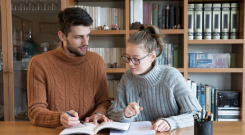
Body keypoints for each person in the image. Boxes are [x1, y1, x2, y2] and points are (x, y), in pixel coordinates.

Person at [27, 7, 112, 128]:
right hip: (55, 131)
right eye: (78, 37)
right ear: (62, 36)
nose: (86, 42)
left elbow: (104, 102)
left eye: (88, 35)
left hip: (90, 130)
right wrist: (60, 118)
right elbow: (35, 111)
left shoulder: (96, 61)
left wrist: (98, 113)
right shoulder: (39, 63)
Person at [107, 25, 202, 132]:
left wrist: (170, 122)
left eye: (136, 59)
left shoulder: (171, 76)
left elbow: (197, 115)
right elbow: (111, 114)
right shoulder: (127, 77)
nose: (130, 63)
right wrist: (125, 113)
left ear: (152, 56)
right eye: (128, 58)